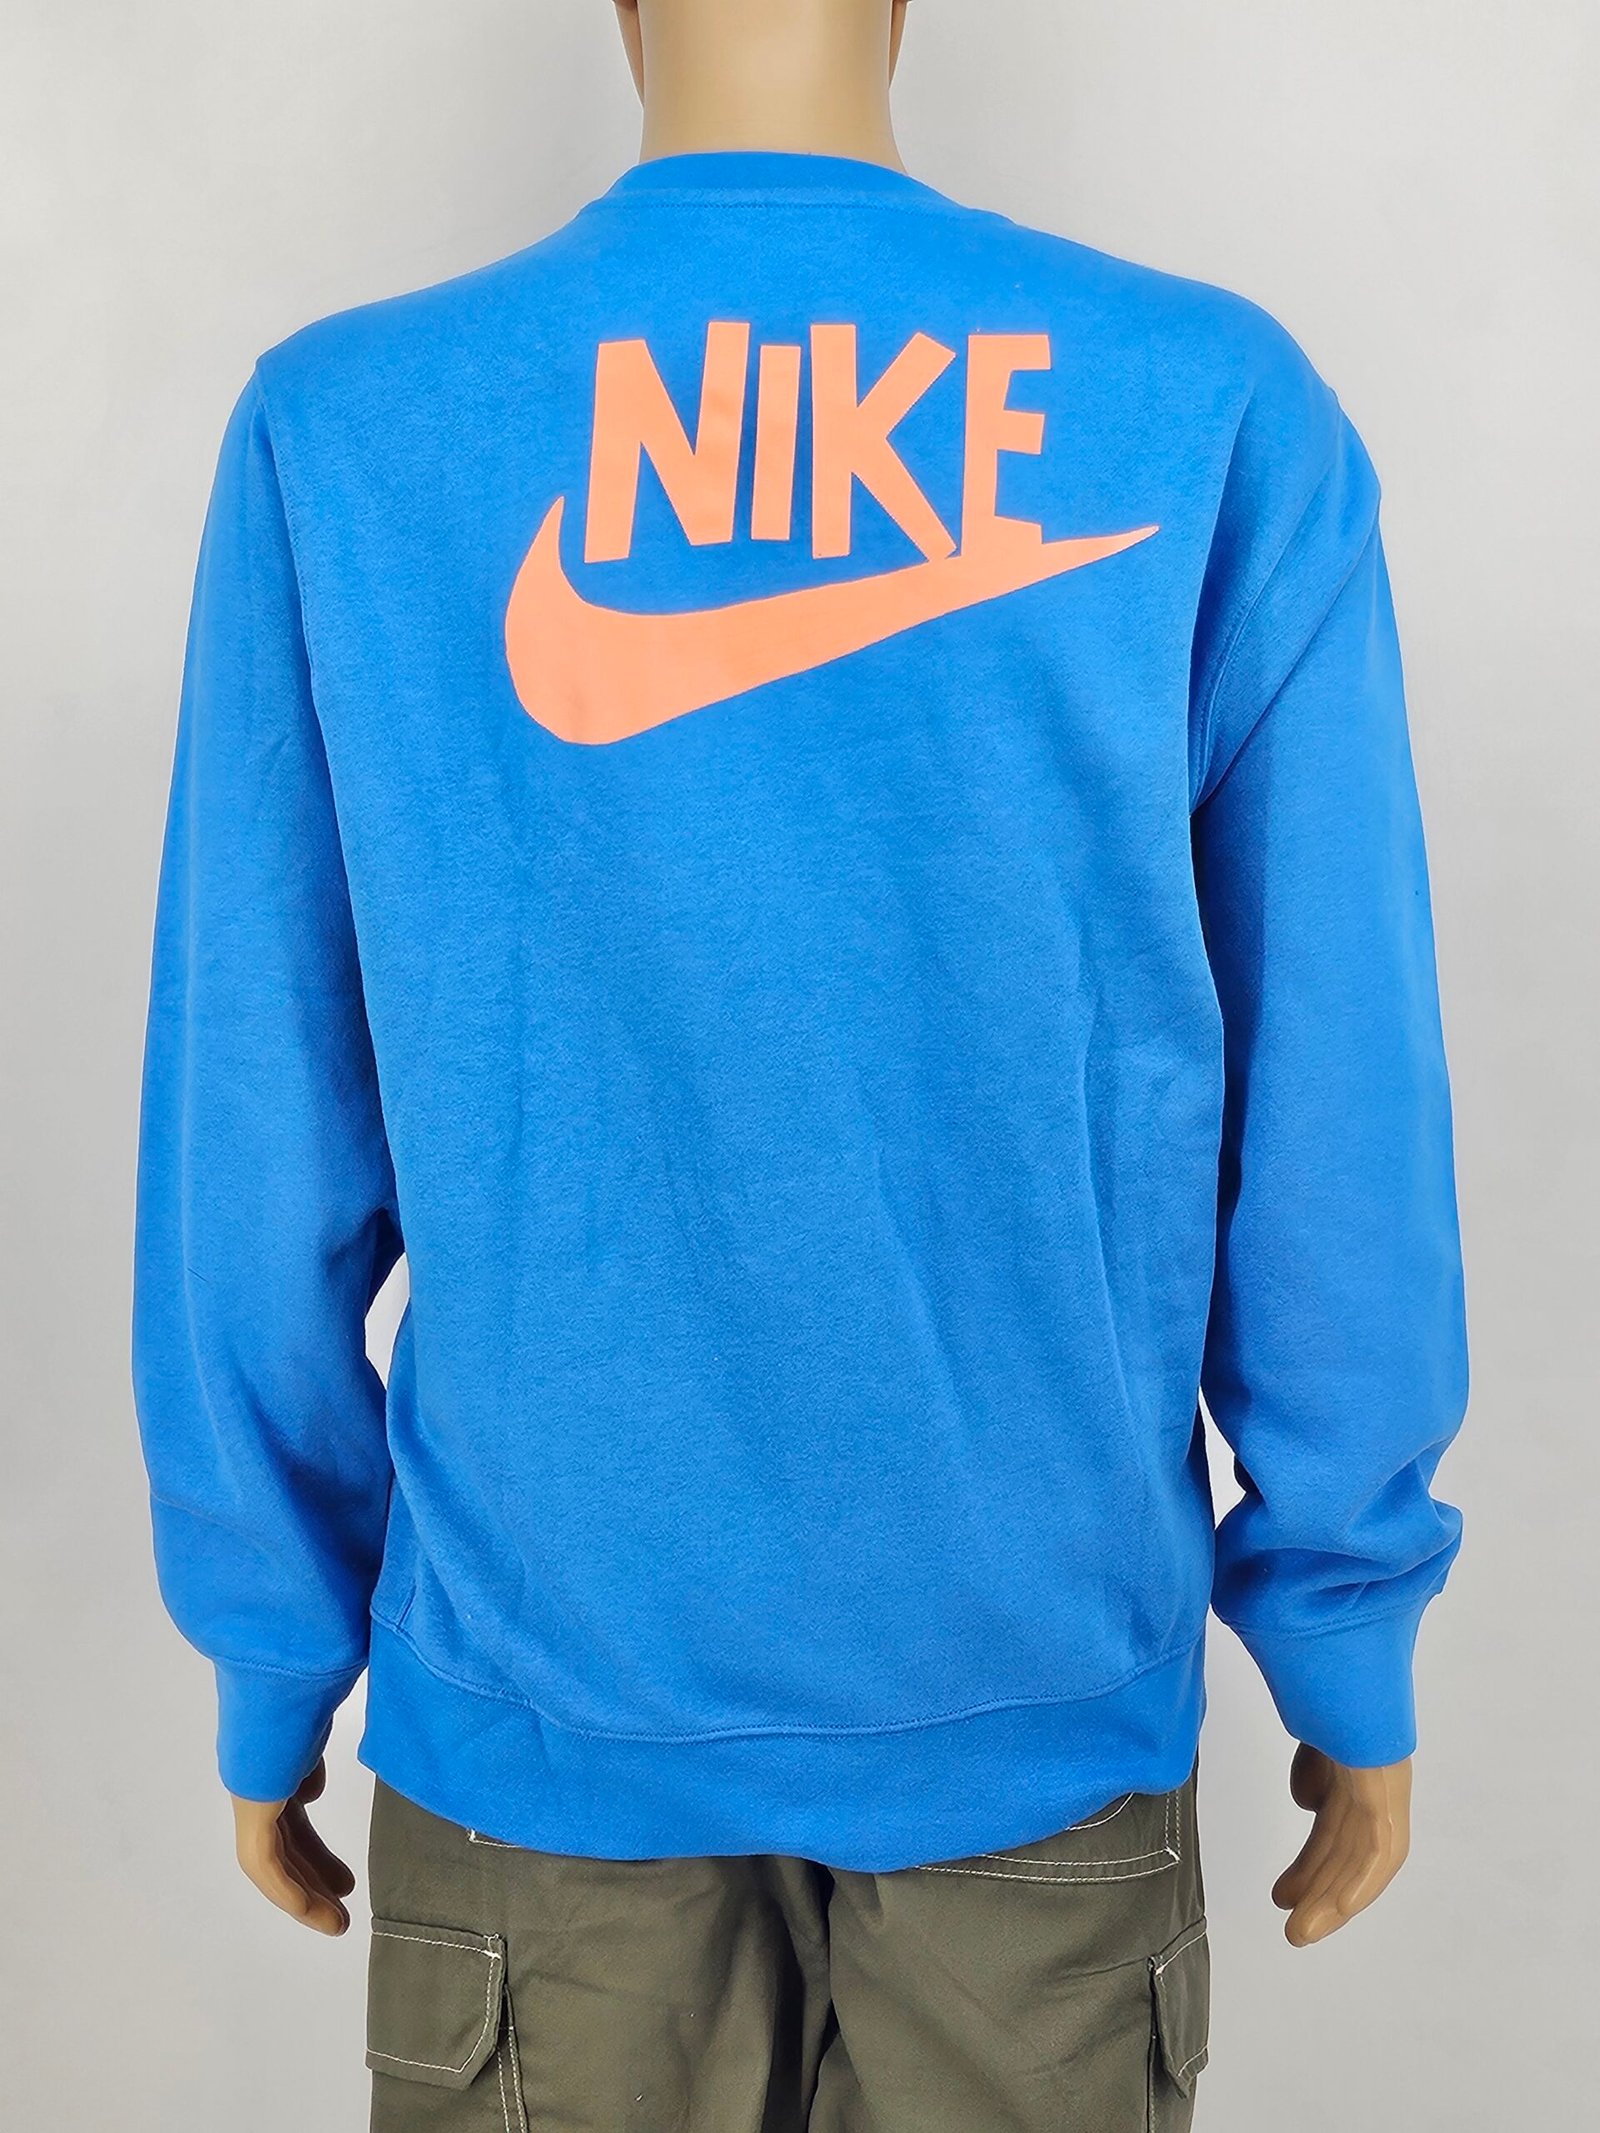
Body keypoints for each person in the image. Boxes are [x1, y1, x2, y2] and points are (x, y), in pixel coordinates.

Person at [130, 0, 1468, 2125]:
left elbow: (254, 1118)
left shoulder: (352, 426)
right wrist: (1342, 1612)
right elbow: (1336, 1112)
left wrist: (272, 1645)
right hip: (1032, 1685)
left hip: (545, 1702)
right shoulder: (1199, 402)